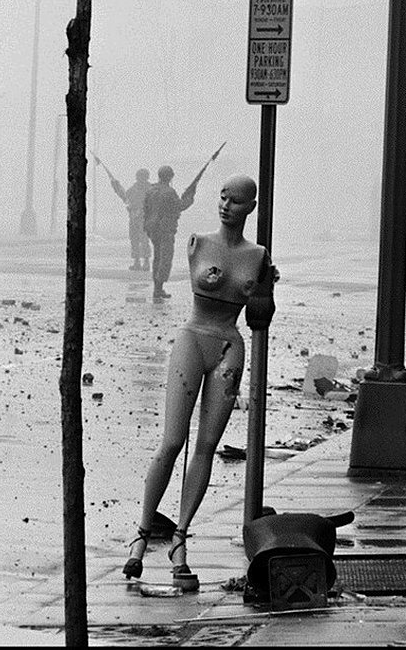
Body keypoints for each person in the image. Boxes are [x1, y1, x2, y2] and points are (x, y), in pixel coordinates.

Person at [123, 174, 278, 590]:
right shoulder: (198, 243)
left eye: (237, 200)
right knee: (173, 441)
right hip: (193, 339)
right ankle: (141, 533)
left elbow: (260, 318)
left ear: (251, 207)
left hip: (229, 345)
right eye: (223, 197)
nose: (227, 205)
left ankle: (180, 538)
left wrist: (265, 290)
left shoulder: (258, 256)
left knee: (206, 446)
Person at [143, 165, 196, 300]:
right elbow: (180, 206)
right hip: (165, 229)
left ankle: (157, 287)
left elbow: (146, 209)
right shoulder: (169, 192)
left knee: (158, 257)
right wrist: (190, 196)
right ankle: (158, 288)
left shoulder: (151, 190)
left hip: (153, 229)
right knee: (165, 258)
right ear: (170, 176)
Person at [110, 168, 151, 271]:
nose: (141, 179)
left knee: (144, 240)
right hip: (134, 219)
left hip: (145, 219)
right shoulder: (133, 190)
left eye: (143, 177)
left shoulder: (151, 190)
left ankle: (146, 262)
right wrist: (116, 186)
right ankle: (137, 262)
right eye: (140, 177)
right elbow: (124, 196)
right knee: (134, 240)